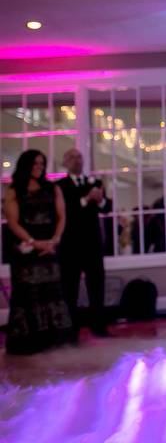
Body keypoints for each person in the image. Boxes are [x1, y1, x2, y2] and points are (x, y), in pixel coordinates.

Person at [2, 150, 73, 354]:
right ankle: (29, 343)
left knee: (52, 293)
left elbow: (62, 216)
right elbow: (13, 223)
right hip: (26, 250)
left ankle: (55, 341)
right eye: (35, 163)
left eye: (42, 163)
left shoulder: (53, 188)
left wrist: (54, 241)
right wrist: (34, 243)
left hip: (50, 248)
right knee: (28, 295)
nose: (39, 167)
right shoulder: (14, 190)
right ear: (26, 165)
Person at [57, 148, 111, 338]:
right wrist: (87, 199)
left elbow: (106, 209)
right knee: (69, 288)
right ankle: (71, 330)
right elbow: (67, 211)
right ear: (65, 163)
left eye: (79, 157)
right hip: (70, 246)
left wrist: (101, 199)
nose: (76, 160)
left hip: (92, 244)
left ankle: (99, 327)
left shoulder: (94, 182)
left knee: (97, 286)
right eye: (71, 157)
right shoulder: (60, 186)